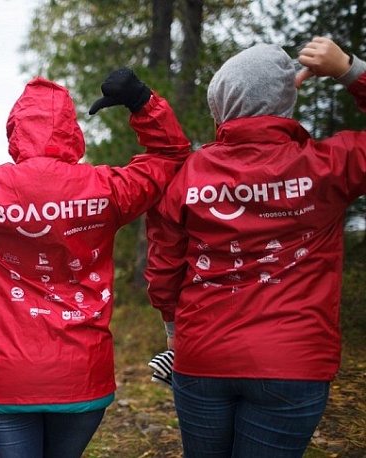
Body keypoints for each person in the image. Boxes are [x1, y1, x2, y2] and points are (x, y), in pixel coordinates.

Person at [0, 70, 190, 457]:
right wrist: (141, 102)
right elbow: (170, 156)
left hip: (7, 376)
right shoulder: (106, 189)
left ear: (14, 132)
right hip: (83, 373)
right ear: (74, 132)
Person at [144, 38, 366, 458]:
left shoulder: (189, 174)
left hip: (201, 356)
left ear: (219, 107)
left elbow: (163, 267)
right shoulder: (327, 165)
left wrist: (175, 334)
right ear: (288, 96)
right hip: (294, 361)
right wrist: (349, 70)